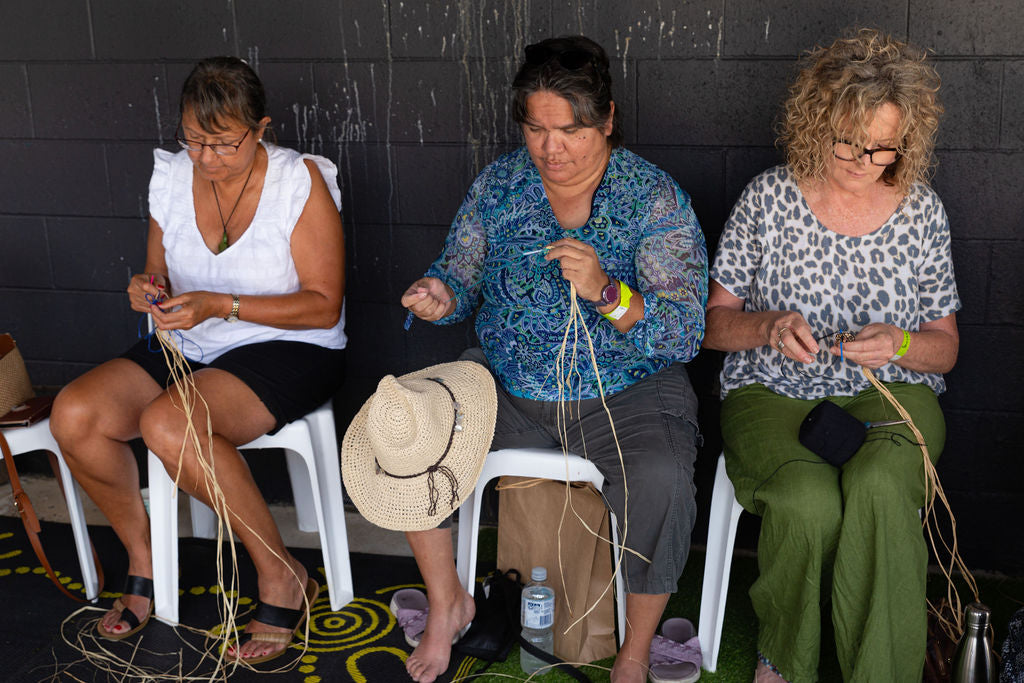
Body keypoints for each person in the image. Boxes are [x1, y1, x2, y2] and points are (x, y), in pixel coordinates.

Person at [346, 35, 708, 683]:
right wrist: (439, 293)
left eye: (569, 130)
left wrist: (608, 290)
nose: (550, 148)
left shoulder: (651, 199)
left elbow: (684, 332)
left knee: (659, 475)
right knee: (409, 429)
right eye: (536, 128)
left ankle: (632, 654)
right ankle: (448, 601)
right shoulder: (502, 186)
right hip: (506, 386)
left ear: (607, 120)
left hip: (623, 389)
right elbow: (460, 273)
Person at [49, 56, 346, 664]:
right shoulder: (172, 175)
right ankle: (145, 560)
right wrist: (148, 291)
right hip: (189, 341)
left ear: (261, 128)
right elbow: (159, 272)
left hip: (289, 348)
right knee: (74, 415)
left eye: (224, 143)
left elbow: (322, 305)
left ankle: (280, 574)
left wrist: (221, 303)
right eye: (195, 141)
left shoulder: (299, 181)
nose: (207, 158)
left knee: (169, 421)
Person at [703, 29, 958, 682]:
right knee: (808, 502)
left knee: (877, 486)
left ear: (904, 142)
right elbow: (711, 326)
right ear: (818, 121)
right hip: (772, 393)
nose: (860, 158)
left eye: (879, 148)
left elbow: (945, 349)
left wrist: (900, 342)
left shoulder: (921, 213)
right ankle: (783, 661)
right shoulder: (768, 200)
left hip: (891, 393)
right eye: (848, 141)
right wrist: (767, 325)